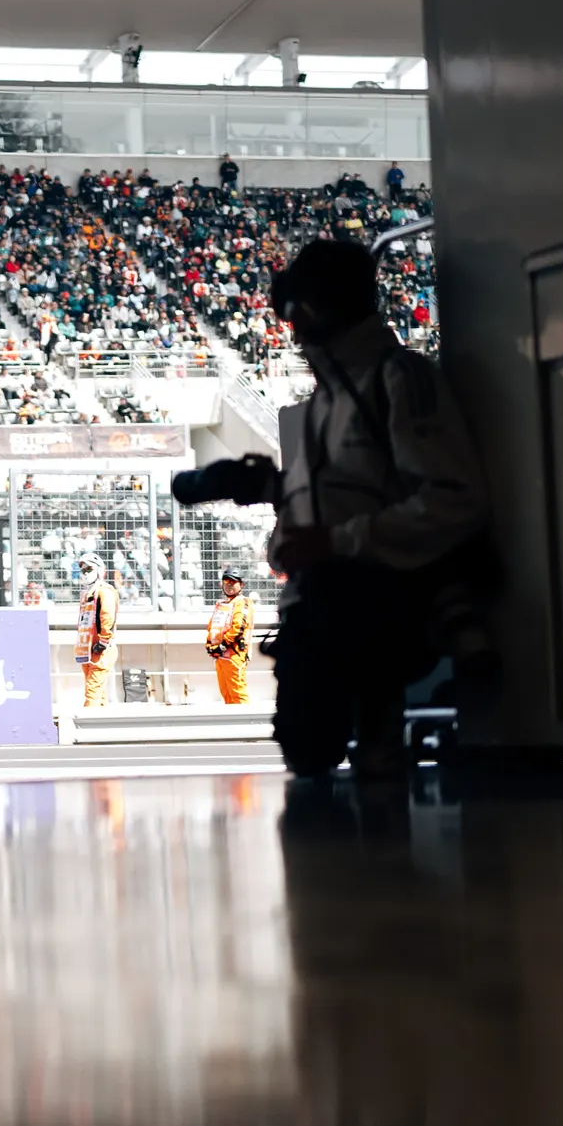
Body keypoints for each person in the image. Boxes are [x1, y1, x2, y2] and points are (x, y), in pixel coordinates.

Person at [267, 235, 488, 781]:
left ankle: (382, 714)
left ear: (310, 310)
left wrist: (339, 542)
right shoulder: (324, 401)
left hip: (376, 592)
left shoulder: (398, 379)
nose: (291, 330)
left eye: (295, 314)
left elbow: (455, 498)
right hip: (317, 595)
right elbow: (317, 506)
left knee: (315, 741)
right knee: (306, 747)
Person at [75, 553, 118, 710]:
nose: (86, 573)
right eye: (83, 571)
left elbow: (107, 616)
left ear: (99, 570)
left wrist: (103, 642)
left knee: (92, 691)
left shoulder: (104, 591)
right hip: (88, 650)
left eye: (89, 569)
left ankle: (87, 728)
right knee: (97, 691)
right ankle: (102, 727)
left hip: (100, 649)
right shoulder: (88, 594)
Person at [205, 568, 253, 705]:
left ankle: (246, 722)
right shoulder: (222, 605)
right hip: (220, 656)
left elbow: (239, 627)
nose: (229, 584)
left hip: (234, 655)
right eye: (226, 581)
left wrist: (223, 645)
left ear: (241, 584)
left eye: (233, 581)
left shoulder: (243, 602)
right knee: (226, 694)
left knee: (238, 693)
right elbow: (212, 627)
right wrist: (210, 646)